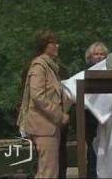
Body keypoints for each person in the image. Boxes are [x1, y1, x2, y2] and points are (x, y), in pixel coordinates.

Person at [17, 30, 71, 178]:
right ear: (44, 46)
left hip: (48, 127)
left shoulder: (50, 67)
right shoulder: (39, 66)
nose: (57, 46)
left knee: (46, 171)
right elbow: (38, 96)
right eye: (53, 43)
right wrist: (59, 115)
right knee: (48, 172)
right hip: (43, 127)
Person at [84, 42, 108, 178]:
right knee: (93, 154)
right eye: (96, 54)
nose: (99, 57)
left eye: (102, 54)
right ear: (90, 56)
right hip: (91, 120)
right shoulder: (85, 73)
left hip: (109, 118)